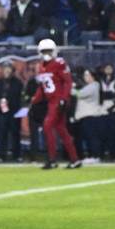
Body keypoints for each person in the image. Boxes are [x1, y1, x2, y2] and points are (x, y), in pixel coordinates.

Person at [31, 39, 82, 169]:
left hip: (58, 100)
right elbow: (43, 87)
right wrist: (34, 100)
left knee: (48, 126)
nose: (46, 53)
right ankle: (74, 159)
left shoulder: (59, 63)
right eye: (44, 51)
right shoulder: (42, 66)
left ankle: (52, 159)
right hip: (51, 101)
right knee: (61, 130)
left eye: (48, 50)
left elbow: (68, 82)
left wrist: (64, 99)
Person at [0, 61, 24, 162]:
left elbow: (21, 98)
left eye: (9, 68)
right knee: (2, 135)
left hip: (14, 113)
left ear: (12, 70)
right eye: (5, 68)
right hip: (2, 113)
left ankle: (17, 156)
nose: (7, 70)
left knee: (16, 135)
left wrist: (16, 109)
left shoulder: (18, 83)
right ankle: (1, 156)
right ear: (3, 70)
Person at [73, 69, 108, 160]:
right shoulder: (89, 86)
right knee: (89, 137)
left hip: (91, 116)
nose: (85, 77)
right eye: (84, 75)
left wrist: (69, 88)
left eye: (87, 75)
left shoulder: (94, 85)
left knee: (92, 137)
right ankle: (92, 155)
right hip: (86, 116)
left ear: (92, 76)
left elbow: (80, 94)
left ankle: (95, 156)